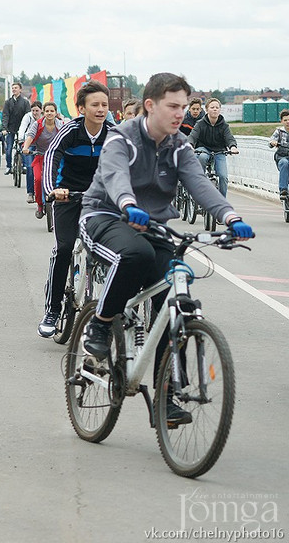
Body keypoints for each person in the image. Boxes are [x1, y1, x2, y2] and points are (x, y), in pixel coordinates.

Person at [78, 72, 253, 426]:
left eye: (184, 106)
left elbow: (199, 183)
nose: (180, 113)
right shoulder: (121, 138)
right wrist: (128, 204)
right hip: (106, 215)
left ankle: (169, 395)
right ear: (150, 105)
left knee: (176, 289)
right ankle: (99, 324)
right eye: (173, 106)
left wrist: (230, 216)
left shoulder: (180, 146)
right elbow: (115, 177)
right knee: (137, 255)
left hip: (153, 224)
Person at [35, 81, 110, 337]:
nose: (101, 109)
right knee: (64, 248)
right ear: (81, 108)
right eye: (95, 105)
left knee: (112, 252)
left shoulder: (113, 134)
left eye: (104, 105)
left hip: (99, 201)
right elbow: (51, 158)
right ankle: (53, 310)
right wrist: (52, 191)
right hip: (69, 196)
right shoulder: (70, 132)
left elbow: (127, 166)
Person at [188, 97, 238, 197]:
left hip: (219, 151)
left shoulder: (224, 126)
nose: (215, 109)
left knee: (223, 177)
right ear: (207, 109)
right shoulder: (200, 124)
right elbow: (193, 136)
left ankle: (221, 203)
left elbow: (229, 138)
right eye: (212, 107)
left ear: (220, 109)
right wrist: (190, 145)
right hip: (203, 149)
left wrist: (232, 147)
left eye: (217, 107)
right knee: (202, 157)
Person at [22, 101, 65, 217]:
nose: (49, 113)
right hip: (40, 155)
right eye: (47, 111)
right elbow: (30, 136)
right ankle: (40, 205)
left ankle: (61, 203)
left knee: (59, 179)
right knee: (38, 179)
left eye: (52, 111)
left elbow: (65, 139)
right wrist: (26, 147)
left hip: (56, 158)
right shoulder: (37, 124)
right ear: (43, 112)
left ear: (56, 113)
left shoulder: (60, 124)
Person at [2, 82, 31, 174]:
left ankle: (24, 165)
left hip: (22, 129)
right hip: (10, 128)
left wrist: (27, 128)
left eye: (16, 88)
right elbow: (5, 115)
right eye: (13, 88)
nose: (14, 89)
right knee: (9, 148)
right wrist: (4, 128)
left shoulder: (25, 102)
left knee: (23, 147)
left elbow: (28, 116)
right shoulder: (8, 102)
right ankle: (8, 166)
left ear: (20, 90)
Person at [18, 102, 42, 204]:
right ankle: (31, 193)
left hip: (42, 144)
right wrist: (20, 139)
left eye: (37, 110)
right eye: (33, 111)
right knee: (29, 167)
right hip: (29, 143)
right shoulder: (27, 117)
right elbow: (22, 128)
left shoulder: (46, 118)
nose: (35, 113)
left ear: (41, 110)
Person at [270, 109, 289, 198]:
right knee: (284, 163)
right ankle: (283, 190)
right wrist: (273, 142)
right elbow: (271, 141)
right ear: (281, 121)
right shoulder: (279, 132)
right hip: (282, 157)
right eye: (285, 120)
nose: (287, 122)